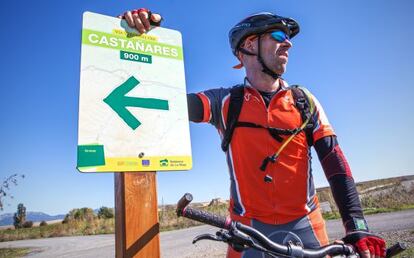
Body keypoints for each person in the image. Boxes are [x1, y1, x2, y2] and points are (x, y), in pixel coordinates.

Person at [120, 8, 386, 258]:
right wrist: (132, 39)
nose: (289, 44)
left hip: (307, 226)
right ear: (249, 45)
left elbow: (334, 161)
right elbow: (160, 103)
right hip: (247, 229)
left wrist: (356, 226)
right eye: (279, 36)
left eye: (288, 38)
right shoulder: (225, 102)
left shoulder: (305, 100)